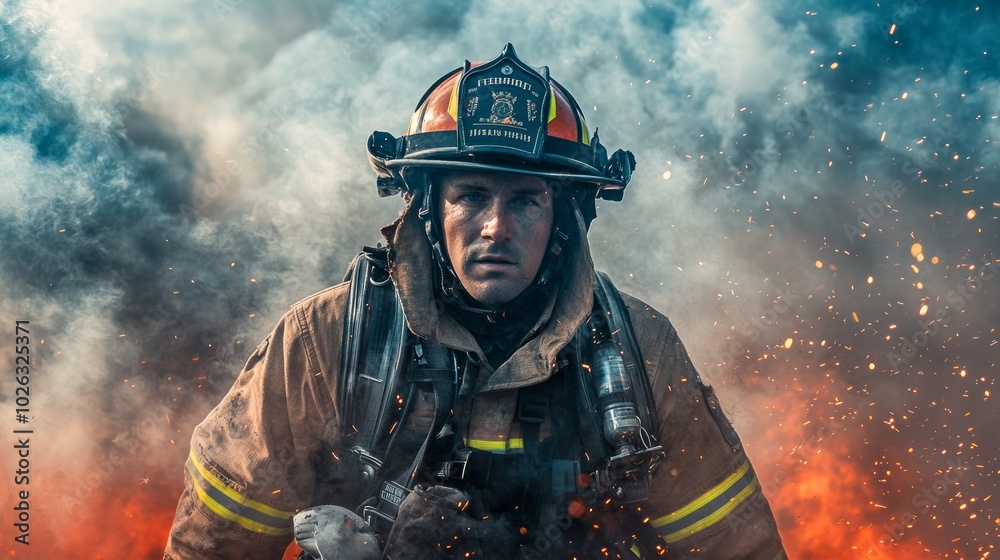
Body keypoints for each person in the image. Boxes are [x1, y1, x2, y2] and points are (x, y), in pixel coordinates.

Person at [165, 44, 786, 559]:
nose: (496, 228)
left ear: (564, 216)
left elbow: (734, 545)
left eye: (524, 201)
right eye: (470, 197)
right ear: (429, 212)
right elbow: (219, 538)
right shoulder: (326, 339)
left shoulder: (636, 348)